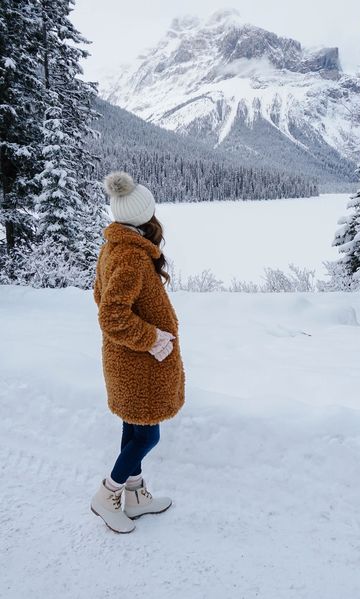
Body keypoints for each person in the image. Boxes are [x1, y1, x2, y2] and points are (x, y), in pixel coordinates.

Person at [90, 171, 185, 534]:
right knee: (148, 436)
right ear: (144, 214)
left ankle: (135, 496)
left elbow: (100, 297)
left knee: (133, 430)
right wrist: (151, 338)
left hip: (126, 360)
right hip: (139, 363)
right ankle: (108, 494)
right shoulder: (130, 255)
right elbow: (111, 314)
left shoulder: (114, 247)